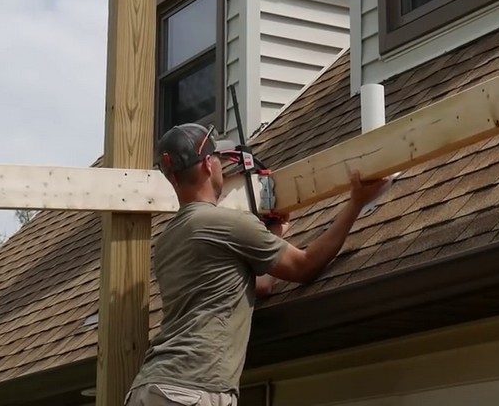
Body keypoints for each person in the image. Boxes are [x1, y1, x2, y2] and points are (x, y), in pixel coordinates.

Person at [125, 123, 389, 406]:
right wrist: (356, 203)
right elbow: (304, 266)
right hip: (191, 389)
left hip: (148, 388)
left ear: (173, 178)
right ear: (207, 166)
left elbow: (260, 285)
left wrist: (273, 231)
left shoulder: (167, 242)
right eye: (217, 159)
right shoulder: (227, 223)